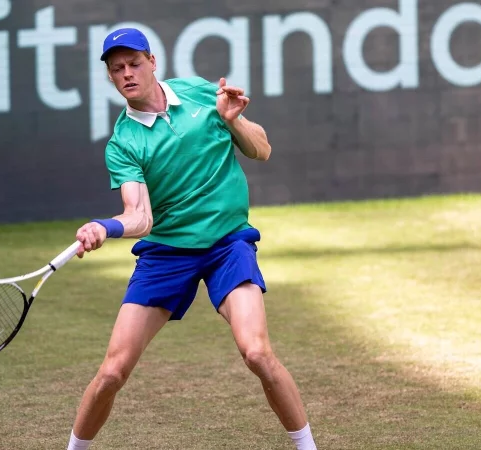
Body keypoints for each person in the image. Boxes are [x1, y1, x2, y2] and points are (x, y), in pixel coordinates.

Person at [66, 28, 317, 450]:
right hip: (167, 253)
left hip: (227, 245)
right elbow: (140, 217)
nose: (127, 74)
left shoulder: (202, 94)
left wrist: (233, 120)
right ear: (110, 78)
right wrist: (104, 227)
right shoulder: (124, 142)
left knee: (256, 352)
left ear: (152, 62)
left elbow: (262, 150)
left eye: (134, 63)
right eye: (117, 69)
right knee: (112, 372)